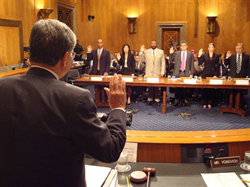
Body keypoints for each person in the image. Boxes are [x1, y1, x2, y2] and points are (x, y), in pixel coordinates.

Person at [0, 19, 127, 187]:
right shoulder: (75, 98)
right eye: (73, 54)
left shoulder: (3, 86)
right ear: (66, 58)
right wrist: (118, 108)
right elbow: (110, 150)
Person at [139, 40, 165, 106]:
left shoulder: (161, 52)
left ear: (156, 44)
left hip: (157, 72)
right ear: (150, 44)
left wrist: (162, 72)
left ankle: (157, 100)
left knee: (157, 87)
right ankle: (149, 99)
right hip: (149, 72)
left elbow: (163, 63)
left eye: (154, 43)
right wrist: (141, 51)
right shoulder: (146, 51)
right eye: (152, 43)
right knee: (149, 87)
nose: (153, 44)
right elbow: (140, 59)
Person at [169, 40, 194, 107]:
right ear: (180, 47)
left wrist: (191, 74)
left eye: (184, 46)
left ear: (187, 46)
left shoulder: (190, 54)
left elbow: (192, 65)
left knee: (186, 88)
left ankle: (185, 101)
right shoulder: (176, 53)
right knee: (177, 88)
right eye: (182, 46)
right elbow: (171, 61)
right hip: (178, 72)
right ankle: (176, 101)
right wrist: (171, 54)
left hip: (186, 73)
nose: (183, 47)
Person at [198, 43, 220, 109]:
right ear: (208, 48)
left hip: (213, 74)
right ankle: (204, 103)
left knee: (211, 89)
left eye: (212, 47)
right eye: (209, 47)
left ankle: (210, 103)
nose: (210, 48)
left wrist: (216, 75)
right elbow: (200, 63)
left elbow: (218, 66)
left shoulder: (216, 55)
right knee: (204, 89)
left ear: (214, 48)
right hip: (205, 73)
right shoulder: (204, 55)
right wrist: (199, 56)